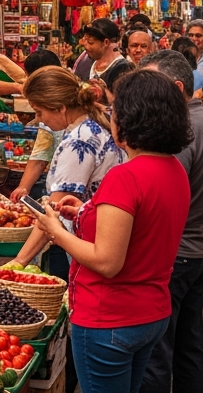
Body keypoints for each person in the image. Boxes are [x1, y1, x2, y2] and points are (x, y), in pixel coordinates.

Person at [37, 69, 190, 393]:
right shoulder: (173, 170)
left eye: (115, 110)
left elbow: (106, 261)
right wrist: (84, 212)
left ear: (131, 118)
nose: (110, 116)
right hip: (150, 312)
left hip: (108, 318)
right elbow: (140, 231)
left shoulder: (127, 176)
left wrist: (58, 233)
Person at [134, 50, 203, 393]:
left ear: (176, 88)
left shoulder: (182, 131)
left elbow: (165, 198)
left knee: (158, 352)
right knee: (189, 348)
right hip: (202, 249)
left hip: (177, 255)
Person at [11, 66, 126, 270]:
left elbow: (53, 213)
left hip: (90, 247)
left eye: (40, 112)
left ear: (60, 108)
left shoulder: (78, 141)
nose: (39, 119)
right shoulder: (93, 126)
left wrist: (18, 262)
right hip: (101, 239)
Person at [9, 50, 63, 204]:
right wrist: (23, 189)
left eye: (39, 113)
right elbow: (41, 153)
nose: (39, 119)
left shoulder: (81, 132)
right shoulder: (49, 106)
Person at [80, 19, 126, 86]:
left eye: (90, 42)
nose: (85, 45)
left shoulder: (123, 69)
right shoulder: (87, 61)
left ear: (106, 42)